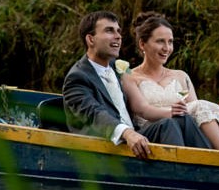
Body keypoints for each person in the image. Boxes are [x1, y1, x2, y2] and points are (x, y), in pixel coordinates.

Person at [62, 10, 211, 157]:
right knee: (168, 125)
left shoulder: (117, 67)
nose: (118, 36)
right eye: (109, 31)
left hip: (138, 136)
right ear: (90, 40)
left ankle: (212, 161)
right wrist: (127, 133)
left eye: (118, 31)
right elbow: (94, 114)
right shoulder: (77, 78)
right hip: (108, 146)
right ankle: (183, 170)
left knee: (181, 119)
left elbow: (139, 101)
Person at [121, 12, 219, 155]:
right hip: (155, 132)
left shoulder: (180, 76)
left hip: (186, 133)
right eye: (160, 41)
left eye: (170, 42)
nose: (167, 48)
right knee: (199, 106)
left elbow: (197, 118)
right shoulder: (130, 76)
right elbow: (143, 110)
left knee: (200, 108)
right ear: (142, 44)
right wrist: (171, 112)